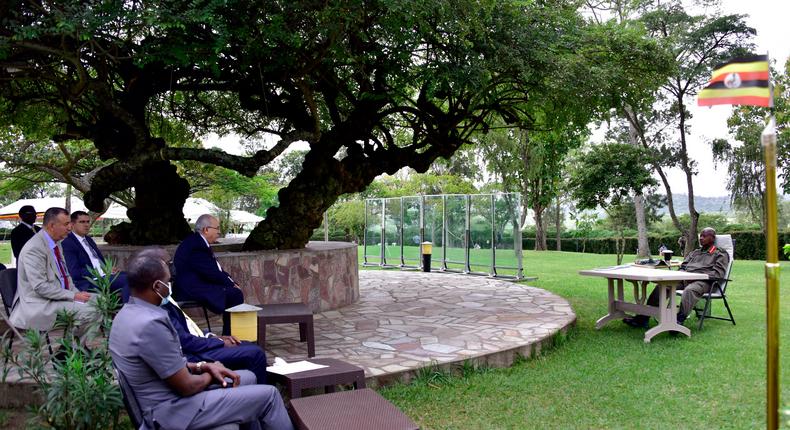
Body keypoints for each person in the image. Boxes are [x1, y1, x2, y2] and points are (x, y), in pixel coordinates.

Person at [109, 251, 293, 430]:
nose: (170, 286)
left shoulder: (127, 314)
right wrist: (211, 374)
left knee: (248, 377)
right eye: (168, 282)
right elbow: (187, 386)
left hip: (166, 398)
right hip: (174, 411)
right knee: (269, 396)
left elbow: (163, 363)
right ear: (157, 286)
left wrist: (202, 366)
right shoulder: (151, 324)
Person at [140, 247, 268, 384]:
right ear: (157, 266)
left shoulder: (163, 295)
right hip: (194, 355)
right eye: (169, 263)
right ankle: (261, 393)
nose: (173, 267)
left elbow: (187, 328)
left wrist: (214, 337)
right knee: (255, 353)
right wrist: (218, 343)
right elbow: (184, 341)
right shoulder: (158, 303)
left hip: (198, 345)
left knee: (244, 345)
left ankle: (248, 386)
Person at [9, 207, 97, 331]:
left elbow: (65, 276)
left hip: (58, 297)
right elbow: (40, 287)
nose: (70, 228)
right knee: (92, 310)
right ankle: (73, 348)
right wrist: (73, 296)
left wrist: (76, 293)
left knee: (102, 302)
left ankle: (70, 347)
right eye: (66, 224)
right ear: (51, 226)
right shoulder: (34, 249)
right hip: (41, 303)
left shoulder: (57, 243)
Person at [623, 227, 729, 329]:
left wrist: (695, 276)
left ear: (713, 238)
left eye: (704, 236)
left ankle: (679, 320)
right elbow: (683, 266)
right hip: (685, 279)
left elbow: (718, 274)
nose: (701, 238)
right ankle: (643, 318)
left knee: (690, 290)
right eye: (700, 236)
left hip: (704, 282)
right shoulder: (695, 253)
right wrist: (681, 274)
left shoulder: (720, 254)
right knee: (663, 286)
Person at [173, 214, 244, 335]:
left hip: (196, 283)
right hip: (191, 288)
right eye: (217, 228)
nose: (219, 232)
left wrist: (231, 282)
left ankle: (230, 333)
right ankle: (229, 335)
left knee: (232, 291)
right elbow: (210, 272)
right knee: (235, 294)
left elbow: (216, 269)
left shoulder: (197, 242)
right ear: (206, 229)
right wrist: (231, 284)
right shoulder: (196, 245)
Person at [62, 211, 130, 302]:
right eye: (82, 222)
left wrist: (108, 268)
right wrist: (103, 271)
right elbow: (74, 271)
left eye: (88, 222)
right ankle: (128, 313)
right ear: (72, 224)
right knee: (128, 280)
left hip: (104, 275)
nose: (86, 225)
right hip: (90, 281)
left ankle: (137, 309)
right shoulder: (68, 242)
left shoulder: (88, 239)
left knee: (135, 276)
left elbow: (97, 260)